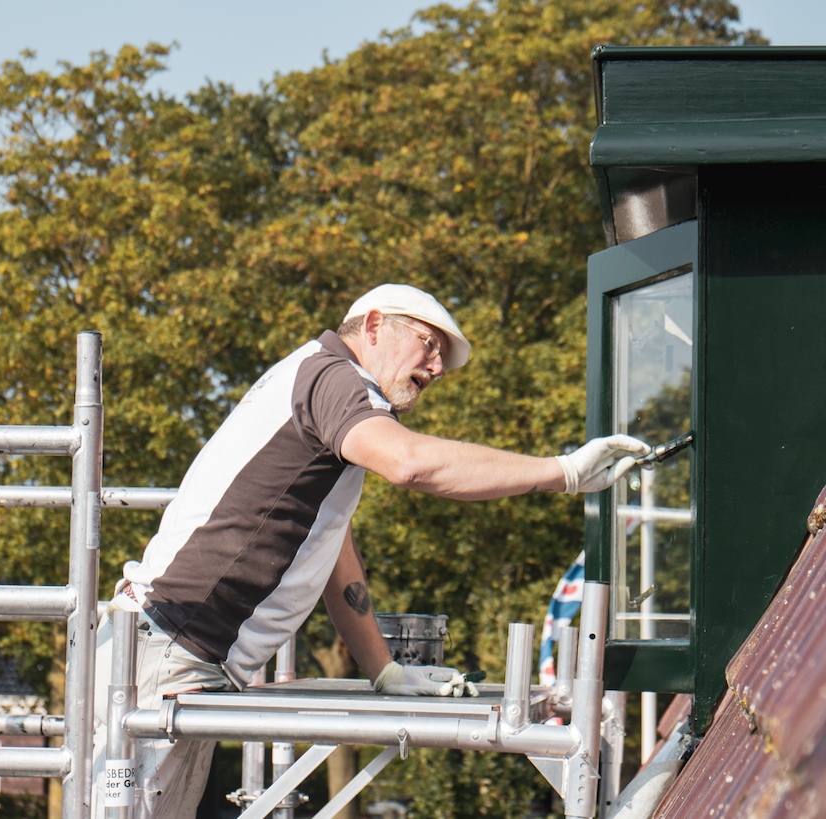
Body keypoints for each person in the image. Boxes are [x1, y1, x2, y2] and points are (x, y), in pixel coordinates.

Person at [92, 284, 649, 819]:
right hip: (169, 649)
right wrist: (562, 472)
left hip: (175, 650)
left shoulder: (318, 387)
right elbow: (410, 464)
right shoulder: (336, 377)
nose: (436, 368)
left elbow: (335, 554)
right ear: (375, 326)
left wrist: (384, 670)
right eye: (428, 344)